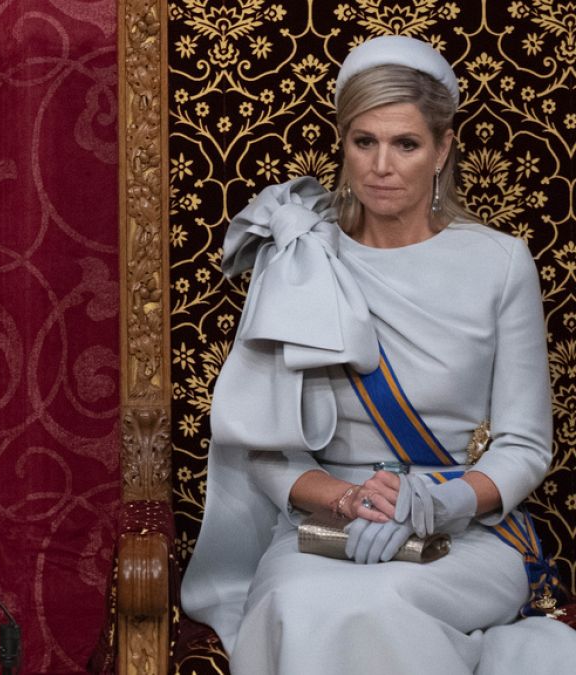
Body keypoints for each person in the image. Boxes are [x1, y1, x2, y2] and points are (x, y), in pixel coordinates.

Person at [180, 36, 576, 674]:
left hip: (465, 531)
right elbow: (265, 452)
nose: (382, 165)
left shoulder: (500, 263)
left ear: (443, 149)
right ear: (344, 145)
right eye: (364, 142)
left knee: (385, 604)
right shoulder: (301, 261)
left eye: (406, 144)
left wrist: (439, 505)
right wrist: (345, 499)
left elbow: (526, 446)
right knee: (300, 604)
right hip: (325, 527)